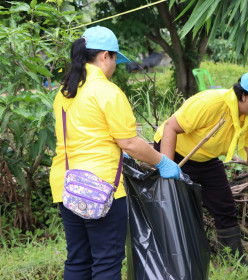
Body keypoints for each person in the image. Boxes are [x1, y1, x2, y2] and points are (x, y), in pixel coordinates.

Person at [49, 26, 181, 280]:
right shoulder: (107, 91)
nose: (114, 67)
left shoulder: (65, 92)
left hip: (67, 186)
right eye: (114, 60)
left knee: (78, 258)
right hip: (101, 189)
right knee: (107, 261)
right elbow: (129, 142)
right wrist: (162, 161)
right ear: (105, 56)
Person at [153, 70, 248, 267]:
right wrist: (168, 166)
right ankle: (181, 261)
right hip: (175, 153)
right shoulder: (211, 103)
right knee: (180, 206)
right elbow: (171, 127)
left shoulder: (247, 119)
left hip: (206, 159)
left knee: (224, 205)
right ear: (244, 96)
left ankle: (235, 261)